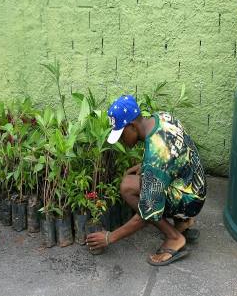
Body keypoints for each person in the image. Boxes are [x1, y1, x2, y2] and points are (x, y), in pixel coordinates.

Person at [85, 95, 207, 266]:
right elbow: (173, 150)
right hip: (195, 184)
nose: (120, 140)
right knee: (143, 180)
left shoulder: (155, 161)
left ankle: (175, 238)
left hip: (190, 200)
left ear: (132, 126)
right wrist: (145, 165)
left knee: (128, 186)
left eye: (121, 134)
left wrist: (109, 237)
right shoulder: (162, 118)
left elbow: (147, 212)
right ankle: (183, 222)